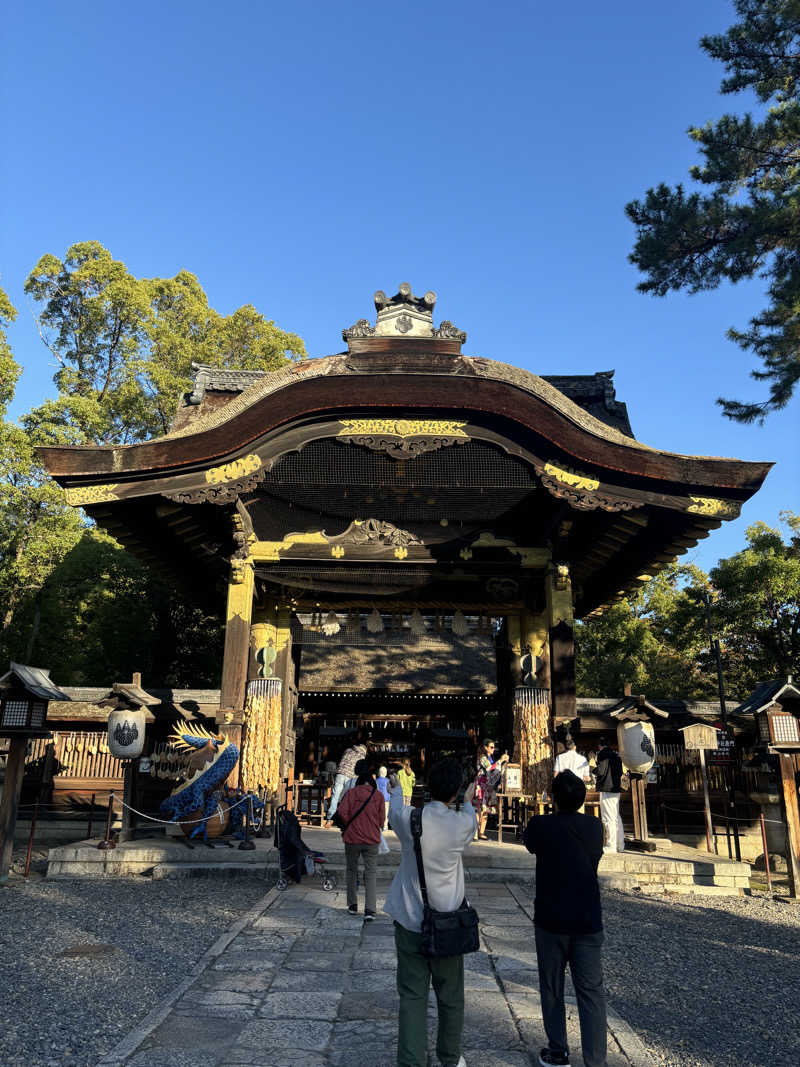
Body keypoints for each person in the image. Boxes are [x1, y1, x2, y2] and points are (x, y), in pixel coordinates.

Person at [385, 759, 476, 1067]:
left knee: (412, 996)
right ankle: (450, 1057)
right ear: (455, 791)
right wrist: (467, 798)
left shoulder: (411, 821)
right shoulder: (463, 824)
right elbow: (470, 811)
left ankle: (411, 1061)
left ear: (428, 787)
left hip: (411, 917)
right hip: (449, 921)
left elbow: (395, 809)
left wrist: (397, 789)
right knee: (451, 996)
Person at [523, 770, 607, 1067]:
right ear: (583, 798)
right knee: (591, 991)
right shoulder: (595, 827)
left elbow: (529, 843)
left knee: (551, 985)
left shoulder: (540, 825)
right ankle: (596, 1059)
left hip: (551, 918)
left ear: (553, 797)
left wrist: (547, 808)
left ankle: (558, 1050)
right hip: (587, 916)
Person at [336, 758, 385, 920]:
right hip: (371, 839)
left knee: (352, 870)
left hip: (352, 838)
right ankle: (370, 910)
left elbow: (342, 812)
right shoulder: (377, 796)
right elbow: (381, 819)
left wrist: (351, 822)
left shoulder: (351, 793)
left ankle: (352, 905)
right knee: (370, 873)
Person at [326, 733, 367, 823]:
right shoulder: (362, 756)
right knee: (349, 797)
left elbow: (342, 760)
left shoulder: (348, 750)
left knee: (335, 795)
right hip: (351, 776)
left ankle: (330, 817)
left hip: (340, 773)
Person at [473, 738, 508, 840]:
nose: (493, 749)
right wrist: (500, 760)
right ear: (485, 748)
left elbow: (495, 770)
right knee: (479, 808)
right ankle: (475, 832)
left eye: (494, 747)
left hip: (489, 785)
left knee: (486, 808)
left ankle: (481, 832)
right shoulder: (482, 757)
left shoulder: (490, 757)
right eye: (491, 747)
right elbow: (489, 768)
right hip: (481, 784)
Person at [595, 737, 625, 853]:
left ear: (600, 746)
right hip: (616, 789)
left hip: (606, 789)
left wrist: (593, 770)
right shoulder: (616, 756)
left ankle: (611, 845)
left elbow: (601, 771)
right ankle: (620, 845)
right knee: (616, 816)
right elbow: (620, 773)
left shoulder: (602, 754)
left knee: (608, 817)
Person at [377, 764, 391, 828]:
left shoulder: (376, 781)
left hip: (378, 799)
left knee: (378, 811)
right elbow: (390, 790)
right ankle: (385, 825)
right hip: (386, 799)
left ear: (379, 773)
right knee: (386, 812)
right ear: (386, 773)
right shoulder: (388, 781)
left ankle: (378, 824)